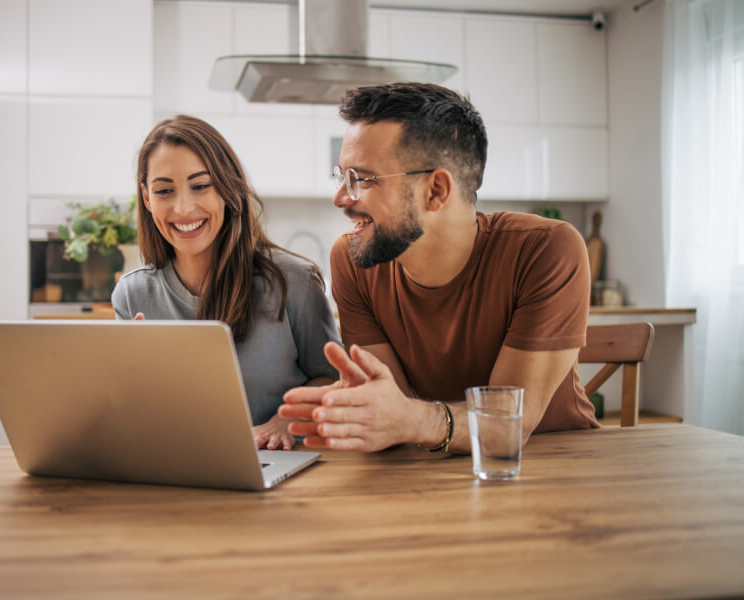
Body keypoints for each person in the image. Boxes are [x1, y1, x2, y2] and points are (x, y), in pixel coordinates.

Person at [280, 83, 598, 454]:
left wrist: (411, 420)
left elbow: (507, 423)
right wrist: (358, 410)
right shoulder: (353, 260)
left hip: (558, 466)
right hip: (434, 466)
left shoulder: (546, 249)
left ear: (435, 191)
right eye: (342, 177)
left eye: (361, 179)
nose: (340, 198)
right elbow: (394, 408)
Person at [112, 115, 340, 450]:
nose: (184, 207)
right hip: (177, 463)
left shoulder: (295, 282)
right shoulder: (132, 296)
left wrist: (284, 422)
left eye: (201, 186)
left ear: (228, 187)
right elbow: (125, 408)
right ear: (147, 199)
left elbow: (333, 380)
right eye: (164, 191)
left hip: (280, 464)